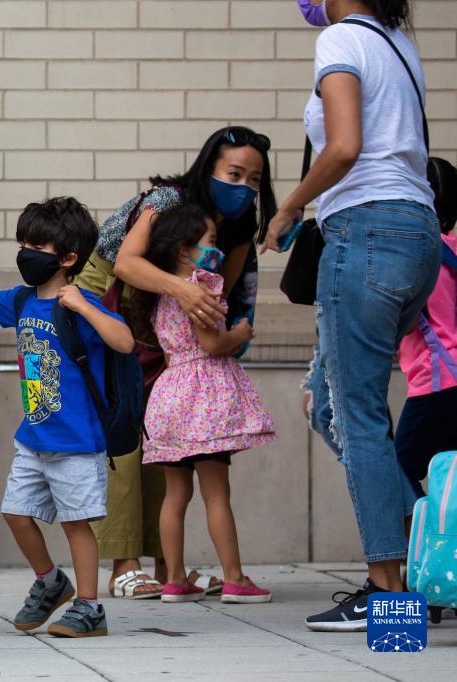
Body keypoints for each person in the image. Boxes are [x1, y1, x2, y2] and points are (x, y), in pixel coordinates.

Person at [264, 0, 440, 632]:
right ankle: (434, 542)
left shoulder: (341, 39)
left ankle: (390, 600)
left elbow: (343, 146)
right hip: (416, 234)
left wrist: (288, 208)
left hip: (365, 231)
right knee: (333, 407)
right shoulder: (398, 42)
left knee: (359, 415)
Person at [0, 197, 135, 637]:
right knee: (16, 513)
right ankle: (50, 582)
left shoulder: (82, 304)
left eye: (36, 247)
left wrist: (85, 307)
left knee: (76, 523)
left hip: (77, 441)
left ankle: (90, 608)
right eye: (22, 245)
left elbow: (125, 341)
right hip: (34, 438)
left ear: (68, 258)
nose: (25, 254)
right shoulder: (21, 301)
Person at [78, 126, 278, 599]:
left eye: (254, 179)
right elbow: (127, 264)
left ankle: (172, 571)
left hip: (168, 340)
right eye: (234, 173)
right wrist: (187, 293)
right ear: (209, 167)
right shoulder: (168, 200)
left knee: (168, 470)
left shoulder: (235, 231)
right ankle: (126, 564)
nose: (244, 187)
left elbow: (223, 293)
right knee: (123, 433)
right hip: (112, 300)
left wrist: (199, 303)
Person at [137, 205, 276, 604]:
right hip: (204, 399)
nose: (216, 249)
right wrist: (240, 333)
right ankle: (234, 578)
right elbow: (212, 343)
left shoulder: (161, 293)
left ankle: (174, 578)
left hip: (169, 396)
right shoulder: (199, 287)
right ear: (185, 250)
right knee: (216, 493)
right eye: (210, 241)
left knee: (175, 494)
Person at [394, 158, 457, 497]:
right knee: (449, 479)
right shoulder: (452, 250)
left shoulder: (418, 253)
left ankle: (425, 528)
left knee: (398, 472)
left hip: (435, 382)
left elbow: (403, 323)